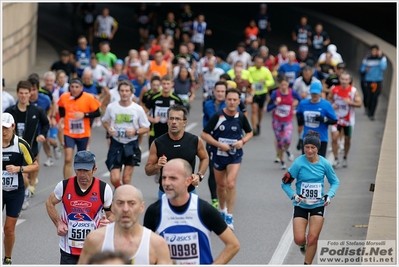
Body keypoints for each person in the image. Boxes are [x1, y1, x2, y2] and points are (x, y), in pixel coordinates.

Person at [144, 159, 240, 264]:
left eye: (173, 178)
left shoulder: (204, 210)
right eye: (164, 178)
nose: (166, 183)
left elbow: (233, 245)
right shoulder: (154, 211)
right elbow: (145, 250)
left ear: (188, 181)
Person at [281, 131, 340, 265]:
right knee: (299, 238)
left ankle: (307, 263)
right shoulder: (298, 163)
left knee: (312, 238)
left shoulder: (325, 164)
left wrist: (329, 196)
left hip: (318, 205)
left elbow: (335, 182)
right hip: (301, 205)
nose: (309, 150)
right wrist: (294, 195)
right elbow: (284, 183)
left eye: (313, 147)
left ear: (317, 148)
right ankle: (302, 245)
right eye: (307, 147)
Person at [45, 151, 114, 264]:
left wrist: (108, 221)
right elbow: (49, 202)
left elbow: (112, 215)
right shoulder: (64, 186)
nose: (82, 174)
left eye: (86, 170)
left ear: (94, 170)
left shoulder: (104, 189)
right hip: (68, 249)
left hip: (94, 249)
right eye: (79, 170)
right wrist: (58, 223)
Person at [78, 185, 171, 265]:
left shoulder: (157, 244)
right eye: (120, 203)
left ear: (141, 207)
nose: (125, 209)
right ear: (113, 207)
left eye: (132, 203)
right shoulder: (95, 240)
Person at [201, 88, 253, 231]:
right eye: (229, 99)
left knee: (230, 184)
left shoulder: (241, 117)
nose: (232, 102)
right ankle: (222, 210)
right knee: (221, 186)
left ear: (238, 101)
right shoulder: (218, 116)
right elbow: (204, 134)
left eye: (235, 100)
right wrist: (220, 145)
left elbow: (250, 133)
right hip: (218, 155)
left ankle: (229, 215)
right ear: (225, 100)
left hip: (235, 156)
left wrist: (242, 142)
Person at [145, 104, 208, 199]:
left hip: (189, 193)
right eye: (171, 118)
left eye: (178, 119)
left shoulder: (195, 141)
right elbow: (148, 170)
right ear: (167, 121)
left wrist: (199, 175)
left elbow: (205, 158)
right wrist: (157, 165)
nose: (174, 122)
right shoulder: (158, 143)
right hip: (165, 193)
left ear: (184, 122)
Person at [5, 81, 49, 207]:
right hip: (13, 149)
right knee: (19, 176)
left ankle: (25, 191)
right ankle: (25, 191)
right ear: (17, 93)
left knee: (23, 174)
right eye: (21, 93)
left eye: (26, 93)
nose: (23, 96)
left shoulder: (37, 110)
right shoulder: (10, 111)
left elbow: (46, 123)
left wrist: (42, 135)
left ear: (31, 94)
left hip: (30, 148)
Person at [2, 112, 39, 265]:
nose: (3, 132)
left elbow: (35, 165)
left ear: (13, 127)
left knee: (9, 229)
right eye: (0, 128)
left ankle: (7, 258)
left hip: (14, 192)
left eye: (6, 128)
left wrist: (19, 169)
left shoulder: (21, 144)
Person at [102, 80, 150, 188]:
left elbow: (146, 127)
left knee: (126, 178)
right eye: (122, 91)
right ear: (118, 92)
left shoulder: (137, 109)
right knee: (114, 179)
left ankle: (124, 197)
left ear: (131, 93)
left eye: (127, 91)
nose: (124, 93)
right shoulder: (111, 107)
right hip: (116, 143)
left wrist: (135, 131)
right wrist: (108, 129)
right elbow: (104, 121)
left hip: (131, 144)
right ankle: (120, 190)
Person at [57, 78, 101, 179]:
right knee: (68, 158)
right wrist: (62, 117)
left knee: (82, 161)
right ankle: (67, 183)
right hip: (69, 132)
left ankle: (80, 181)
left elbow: (98, 112)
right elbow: (61, 106)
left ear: (81, 88)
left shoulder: (88, 98)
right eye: (72, 87)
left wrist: (84, 114)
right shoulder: (64, 97)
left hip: (83, 133)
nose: (74, 89)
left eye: (77, 87)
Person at [327, 72, 362, 168]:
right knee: (334, 138)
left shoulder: (353, 91)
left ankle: (345, 157)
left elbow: (359, 104)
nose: (344, 81)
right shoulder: (334, 89)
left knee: (347, 139)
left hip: (348, 120)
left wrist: (350, 102)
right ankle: (336, 158)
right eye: (342, 79)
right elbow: (328, 99)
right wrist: (331, 104)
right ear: (340, 79)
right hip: (336, 118)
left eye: (346, 80)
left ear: (350, 81)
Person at [267, 74, 302, 169]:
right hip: (277, 121)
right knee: (279, 142)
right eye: (282, 85)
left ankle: (288, 150)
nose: (284, 87)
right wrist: (275, 104)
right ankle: (282, 161)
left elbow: (301, 101)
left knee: (287, 139)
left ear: (288, 84)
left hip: (288, 121)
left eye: (285, 85)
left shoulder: (292, 92)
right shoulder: (275, 93)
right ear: (279, 85)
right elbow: (268, 108)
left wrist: (296, 108)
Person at [296, 81, 337, 157]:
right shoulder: (303, 103)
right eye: (313, 93)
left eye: (316, 93)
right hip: (307, 139)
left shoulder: (326, 105)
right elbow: (299, 115)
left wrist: (323, 119)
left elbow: (334, 120)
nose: (314, 95)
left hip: (321, 139)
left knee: (319, 166)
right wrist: (300, 139)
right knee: (306, 165)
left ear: (320, 92)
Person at [144, 74, 183, 148]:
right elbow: (144, 112)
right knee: (154, 157)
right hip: (155, 132)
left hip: (171, 133)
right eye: (164, 83)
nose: (166, 86)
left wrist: (173, 120)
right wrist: (152, 119)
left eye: (168, 84)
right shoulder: (154, 97)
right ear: (161, 84)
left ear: (172, 84)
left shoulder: (176, 99)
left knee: (170, 157)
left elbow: (182, 117)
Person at [248, 56, 275, 136]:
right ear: (254, 62)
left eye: (260, 62)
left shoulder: (266, 71)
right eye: (257, 62)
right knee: (254, 110)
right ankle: (254, 127)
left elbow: (271, 81)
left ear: (263, 63)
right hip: (253, 93)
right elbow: (247, 78)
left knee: (260, 111)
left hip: (262, 92)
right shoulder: (250, 70)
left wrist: (265, 82)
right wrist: (250, 82)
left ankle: (258, 123)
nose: (258, 64)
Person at [359, 44, 387, 121]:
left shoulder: (382, 58)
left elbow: (383, 67)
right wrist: (365, 69)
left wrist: (380, 57)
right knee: (368, 96)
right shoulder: (367, 58)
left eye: (375, 51)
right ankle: (367, 108)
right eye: (373, 51)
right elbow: (361, 68)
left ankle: (372, 113)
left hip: (377, 81)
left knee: (374, 97)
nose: (374, 52)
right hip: (368, 80)